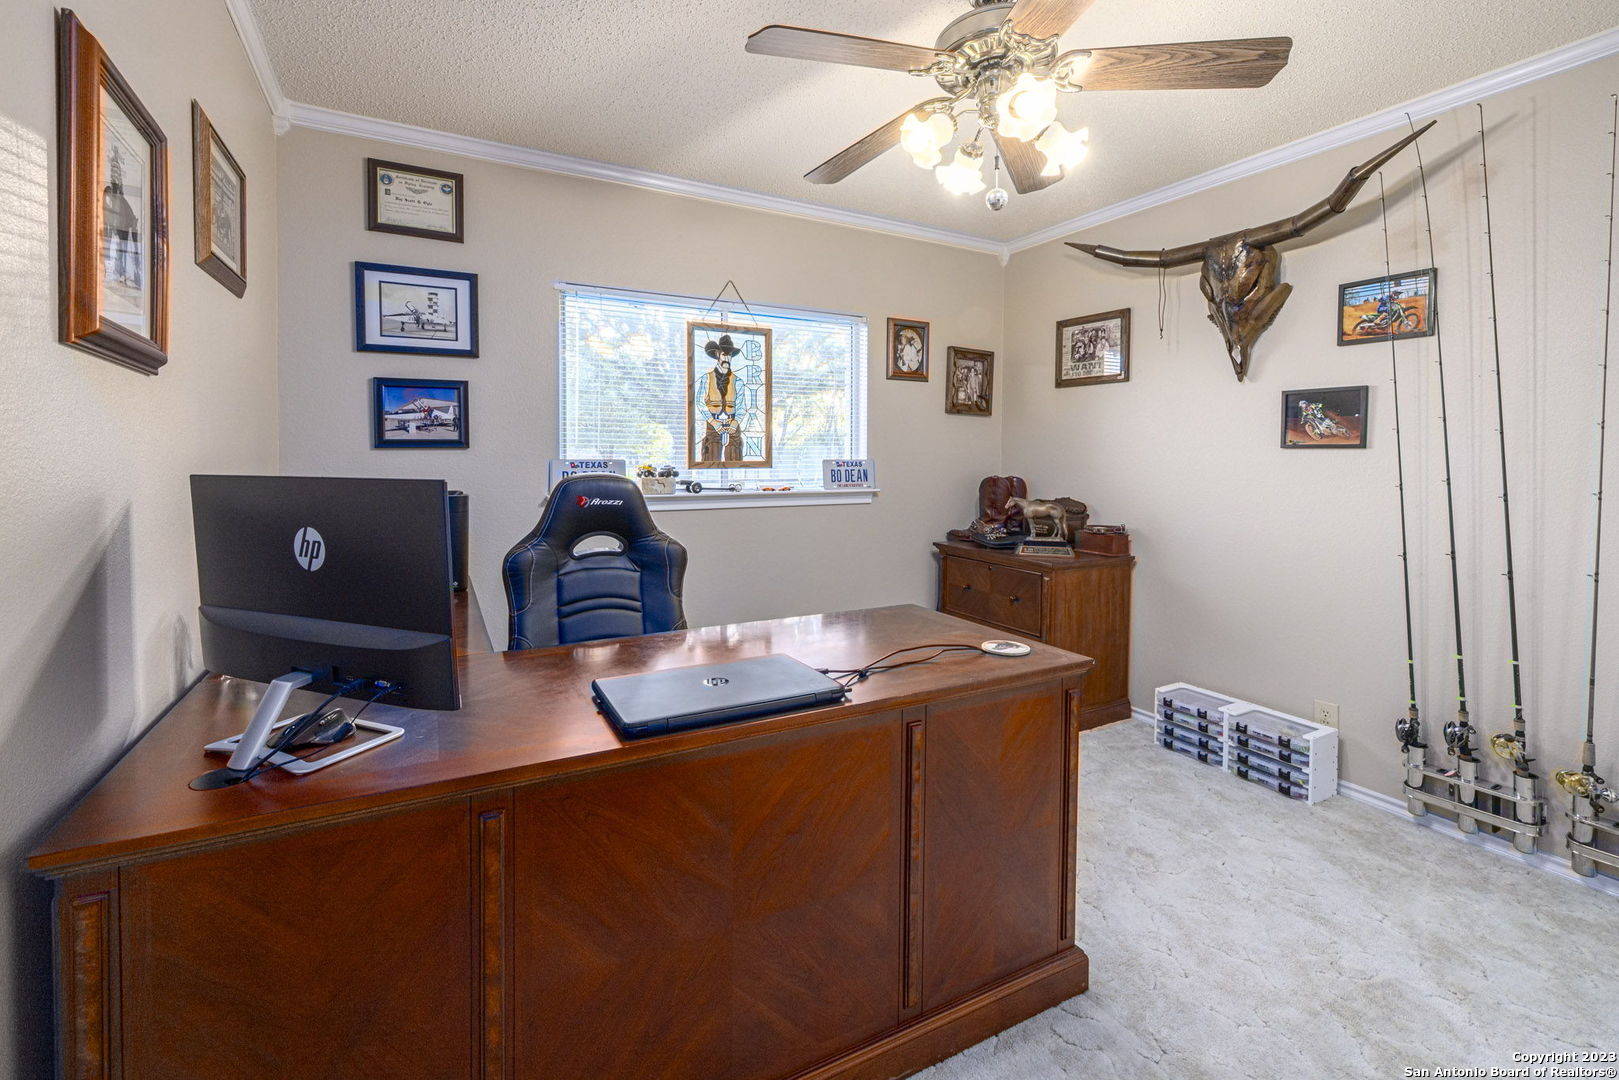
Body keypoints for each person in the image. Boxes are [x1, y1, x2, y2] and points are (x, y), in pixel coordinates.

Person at [699, 334, 744, 464]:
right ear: (717, 354)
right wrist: (713, 421)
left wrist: (735, 422)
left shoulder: (738, 381)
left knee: (734, 458)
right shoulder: (706, 379)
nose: (727, 358)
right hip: (713, 422)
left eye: (729, 355)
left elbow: (741, 405)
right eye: (724, 354)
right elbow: (700, 403)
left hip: (732, 421)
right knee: (711, 458)